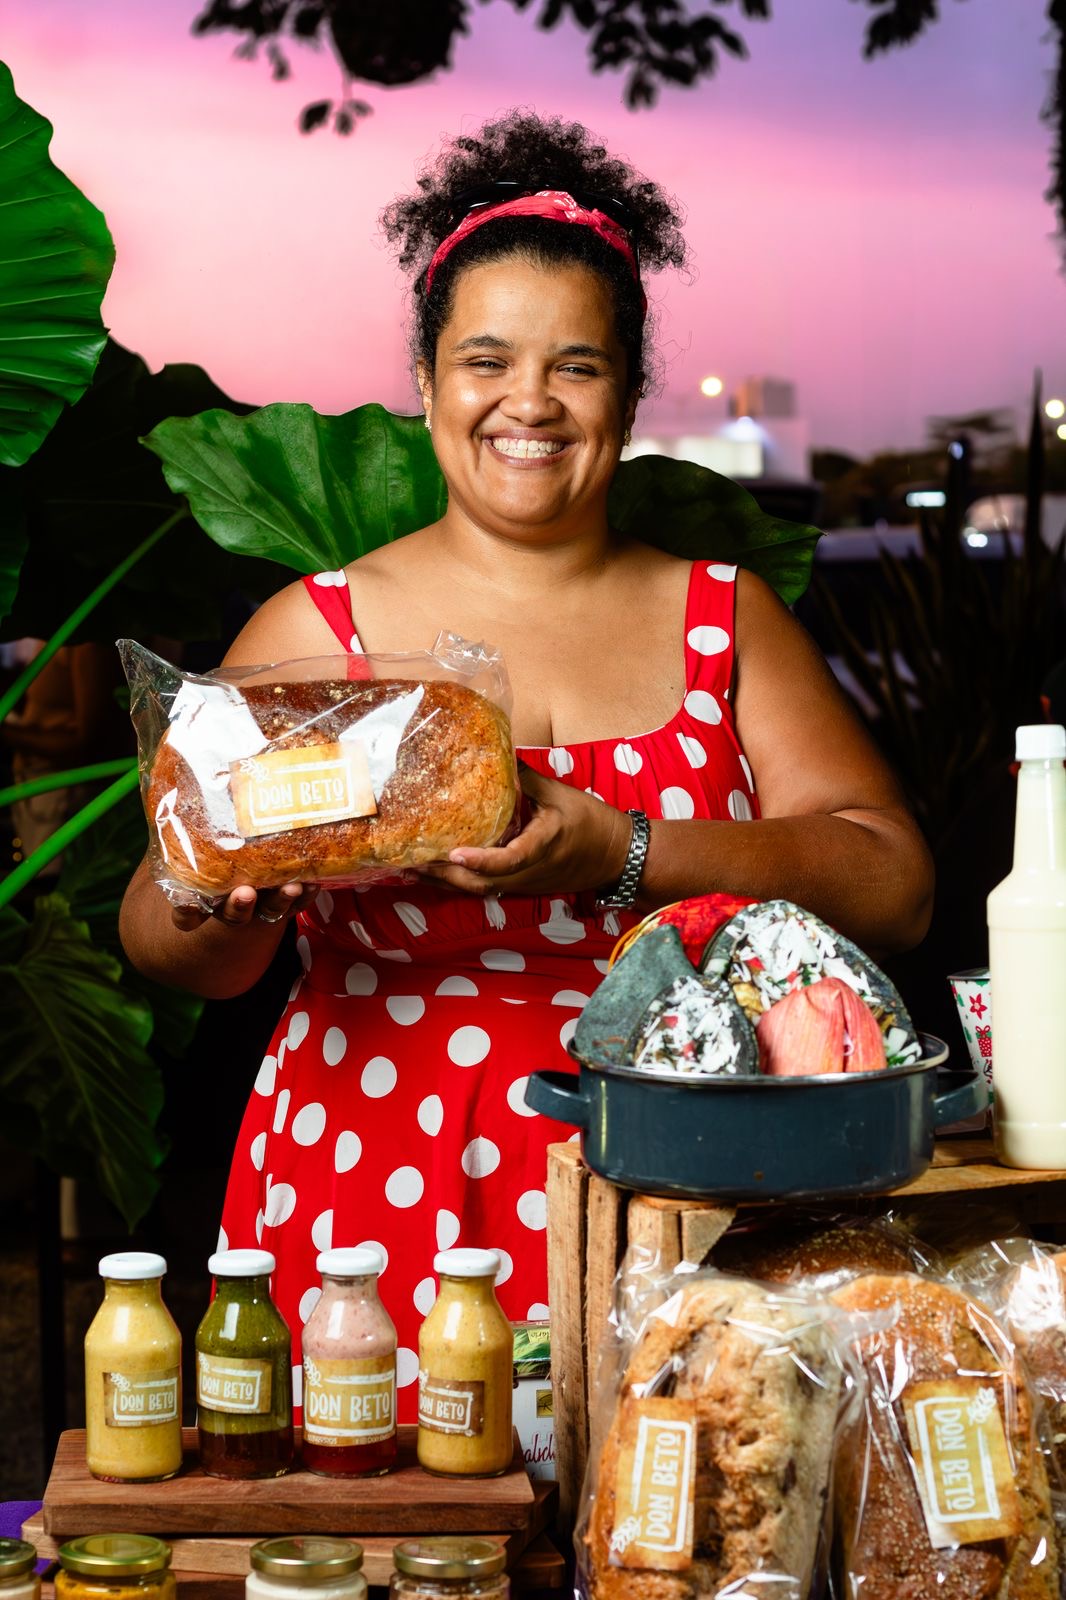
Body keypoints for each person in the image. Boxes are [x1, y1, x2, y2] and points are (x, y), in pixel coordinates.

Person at [120, 112, 933, 1416]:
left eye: (578, 365)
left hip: (688, 1175)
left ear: (625, 390)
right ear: (431, 381)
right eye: (485, 359)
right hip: (376, 1170)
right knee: (398, 1527)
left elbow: (890, 883)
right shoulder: (313, 629)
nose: (529, 402)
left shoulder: (721, 619)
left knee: (681, 1516)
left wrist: (619, 848)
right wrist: (221, 900)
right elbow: (173, 940)